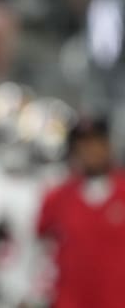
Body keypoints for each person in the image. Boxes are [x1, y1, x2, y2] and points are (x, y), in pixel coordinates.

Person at [36, 116, 125, 308]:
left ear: (108, 145)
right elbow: (38, 250)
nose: (89, 151)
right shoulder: (57, 197)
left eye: (95, 143)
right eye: (82, 145)